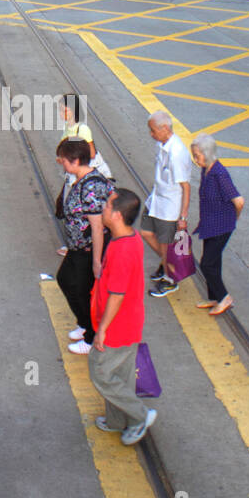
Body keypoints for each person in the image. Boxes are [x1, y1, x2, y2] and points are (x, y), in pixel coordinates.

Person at [88, 188, 157, 446]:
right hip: (130, 320)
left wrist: (102, 329)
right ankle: (119, 421)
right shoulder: (129, 238)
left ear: (116, 215)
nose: (103, 208)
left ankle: (140, 416)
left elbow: (117, 294)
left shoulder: (122, 250)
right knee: (122, 372)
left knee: (101, 370)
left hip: (118, 325)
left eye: (107, 205)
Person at [56, 138, 111, 355]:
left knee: (80, 290)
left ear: (76, 160)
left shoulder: (92, 186)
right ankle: (83, 323)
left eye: (64, 161)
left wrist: (97, 261)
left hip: (88, 250)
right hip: (78, 247)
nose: (62, 164)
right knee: (65, 280)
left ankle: (90, 335)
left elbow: (97, 227)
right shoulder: (81, 179)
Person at [138, 110, 191, 297]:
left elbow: (186, 187)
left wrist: (183, 216)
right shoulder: (162, 145)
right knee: (145, 232)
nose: (151, 134)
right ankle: (165, 262)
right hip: (156, 199)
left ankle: (171, 279)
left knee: (167, 243)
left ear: (165, 128)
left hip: (170, 206)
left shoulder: (176, 153)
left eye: (153, 131)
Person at [190, 133, 243, 316]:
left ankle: (224, 297)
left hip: (221, 225)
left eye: (197, 155)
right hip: (210, 224)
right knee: (214, 261)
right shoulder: (206, 170)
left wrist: (232, 220)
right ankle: (214, 296)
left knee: (207, 264)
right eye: (194, 155)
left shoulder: (220, 174)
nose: (195, 159)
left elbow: (239, 201)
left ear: (208, 153)